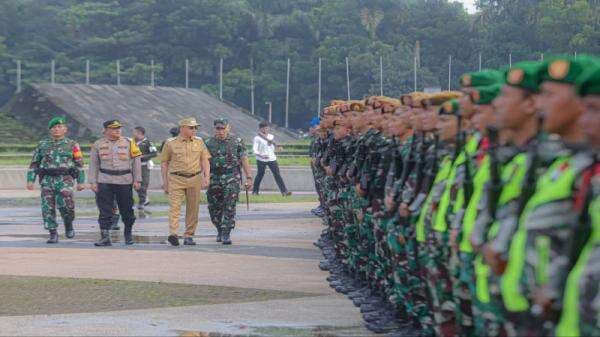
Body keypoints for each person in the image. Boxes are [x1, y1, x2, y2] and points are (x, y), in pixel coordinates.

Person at [26, 116, 86, 243]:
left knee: (67, 206)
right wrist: (30, 179)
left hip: (65, 179)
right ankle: (53, 233)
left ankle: (68, 224)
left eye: (60, 127)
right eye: (54, 127)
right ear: (50, 130)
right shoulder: (42, 144)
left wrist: (81, 182)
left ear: (65, 129)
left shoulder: (72, 144)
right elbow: (34, 163)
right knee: (47, 207)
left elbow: (79, 164)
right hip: (47, 179)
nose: (56, 129)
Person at [88, 119, 142, 246]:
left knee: (127, 209)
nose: (118, 130)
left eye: (119, 128)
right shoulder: (98, 144)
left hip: (124, 180)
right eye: (114, 128)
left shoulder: (130, 142)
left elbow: (136, 162)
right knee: (105, 209)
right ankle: (105, 237)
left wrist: (137, 179)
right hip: (105, 180)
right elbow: (93, 164)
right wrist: (93, 182)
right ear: (106, 130)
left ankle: (128, 234)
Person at [159, 117, 211, 246]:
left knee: (193, 208)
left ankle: (189, 235)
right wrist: (165, 182)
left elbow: (205, 160)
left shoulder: (199, 142)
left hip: (195, 178)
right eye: (191, 127)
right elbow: (164, 163)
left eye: (195, 128)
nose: (194, 130)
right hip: (176, 178)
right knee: (174, 207)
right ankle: (173, 234)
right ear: (182, 128)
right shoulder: (170, 143)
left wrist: (206, 177)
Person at [205, 118, 253, 245]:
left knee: (229, 206)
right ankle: (219, 229)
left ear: (228, 128)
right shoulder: (208, 143)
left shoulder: (237, 142)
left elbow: (244, 159)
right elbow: (203, 162)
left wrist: (249, 177)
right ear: (214, 128)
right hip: (214, 177)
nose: (220, 131)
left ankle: (226, 233)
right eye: (218, 128)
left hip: (232, 177)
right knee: (214, 207)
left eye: (223, 128)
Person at [252, 121, 291, 196]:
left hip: (272, 158)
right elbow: (255, 150)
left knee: (277, 174)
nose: (266, 129)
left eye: (267, 128)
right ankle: (255, 191)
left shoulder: (271, 136)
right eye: (264, 128)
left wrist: (278, 148)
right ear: (260, 129)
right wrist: (261, 155)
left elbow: (271, 148)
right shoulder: (257, 138)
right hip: (261, 159)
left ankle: (284, 192)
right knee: (260, 174)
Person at [133, 126, 158, 209]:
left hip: (144, 166)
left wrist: (142, 157)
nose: (134, 134)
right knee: (134, 184)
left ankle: (142, 201)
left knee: (143, 184)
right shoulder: (133, 142)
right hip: (134, 166)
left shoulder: (148, 143)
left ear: (140, 133)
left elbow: (154, 153)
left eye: (135, 132)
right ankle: (145, 198)